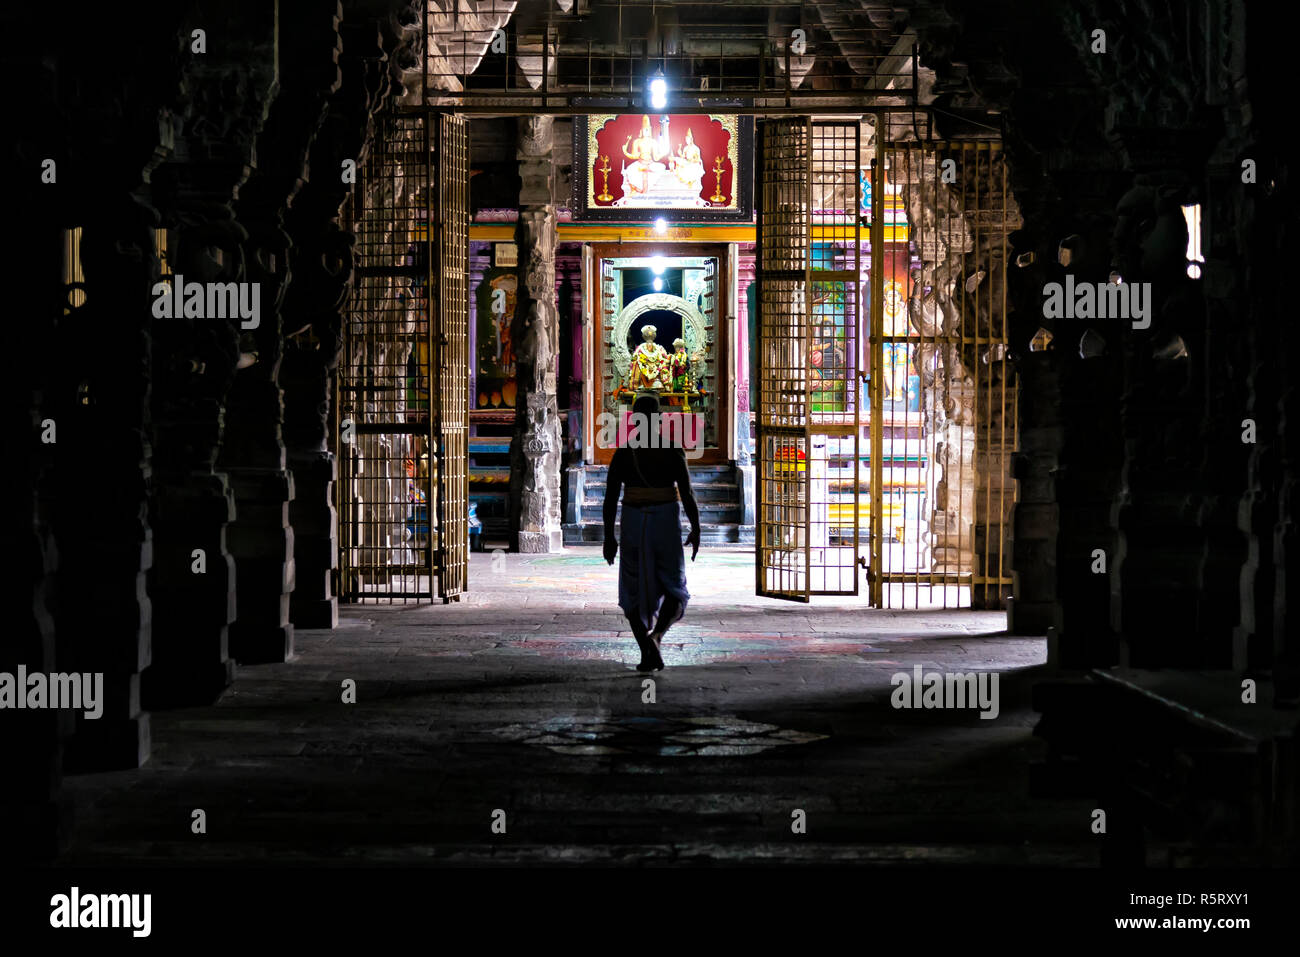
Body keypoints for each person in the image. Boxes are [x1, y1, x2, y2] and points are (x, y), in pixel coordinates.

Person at [603, 394, 702, 672]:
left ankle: (646, 650)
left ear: (634, 420)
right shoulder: (672, 450)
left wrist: (609, 537)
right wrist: (696, 528)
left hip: (634, 522)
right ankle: (656, 637)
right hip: (665, 522)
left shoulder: (623, 453)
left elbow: (610, 498)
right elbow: (688, 493)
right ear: (659, 419)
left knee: (631, 590)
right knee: (674, 585)